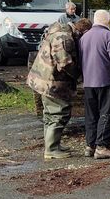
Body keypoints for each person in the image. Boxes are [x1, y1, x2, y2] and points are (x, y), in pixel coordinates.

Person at [27, 18, 92, 159]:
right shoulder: (65, 38)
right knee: (59, 114)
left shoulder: (58, 31)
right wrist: (78, 75)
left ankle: (53, 144)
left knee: (49, 115)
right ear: (83, 31)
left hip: (42, 79)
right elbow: (65, 63)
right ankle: (51, 149)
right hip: (53, 82)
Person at [79, 10, 110, 159]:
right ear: (109, 21)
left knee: (91, 115)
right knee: (107, 113)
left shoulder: (84, 38)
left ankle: (91, 145)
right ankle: (102, 146)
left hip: (88, 82)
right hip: (107, 80)